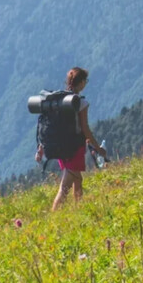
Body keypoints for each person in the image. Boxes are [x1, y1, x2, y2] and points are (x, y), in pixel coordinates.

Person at [35, 66, 106, 210]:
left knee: (77, 180)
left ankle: (78, 210)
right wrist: (98, 148)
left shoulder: (59, 100)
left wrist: (41, 148)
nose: (86, 83)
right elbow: (85, 128)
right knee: (64, 187)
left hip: (61, 148)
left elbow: (49, 125)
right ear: (80, 83)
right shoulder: (80, 102)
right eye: (85, 80)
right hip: (75, 148)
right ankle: (54, 218)